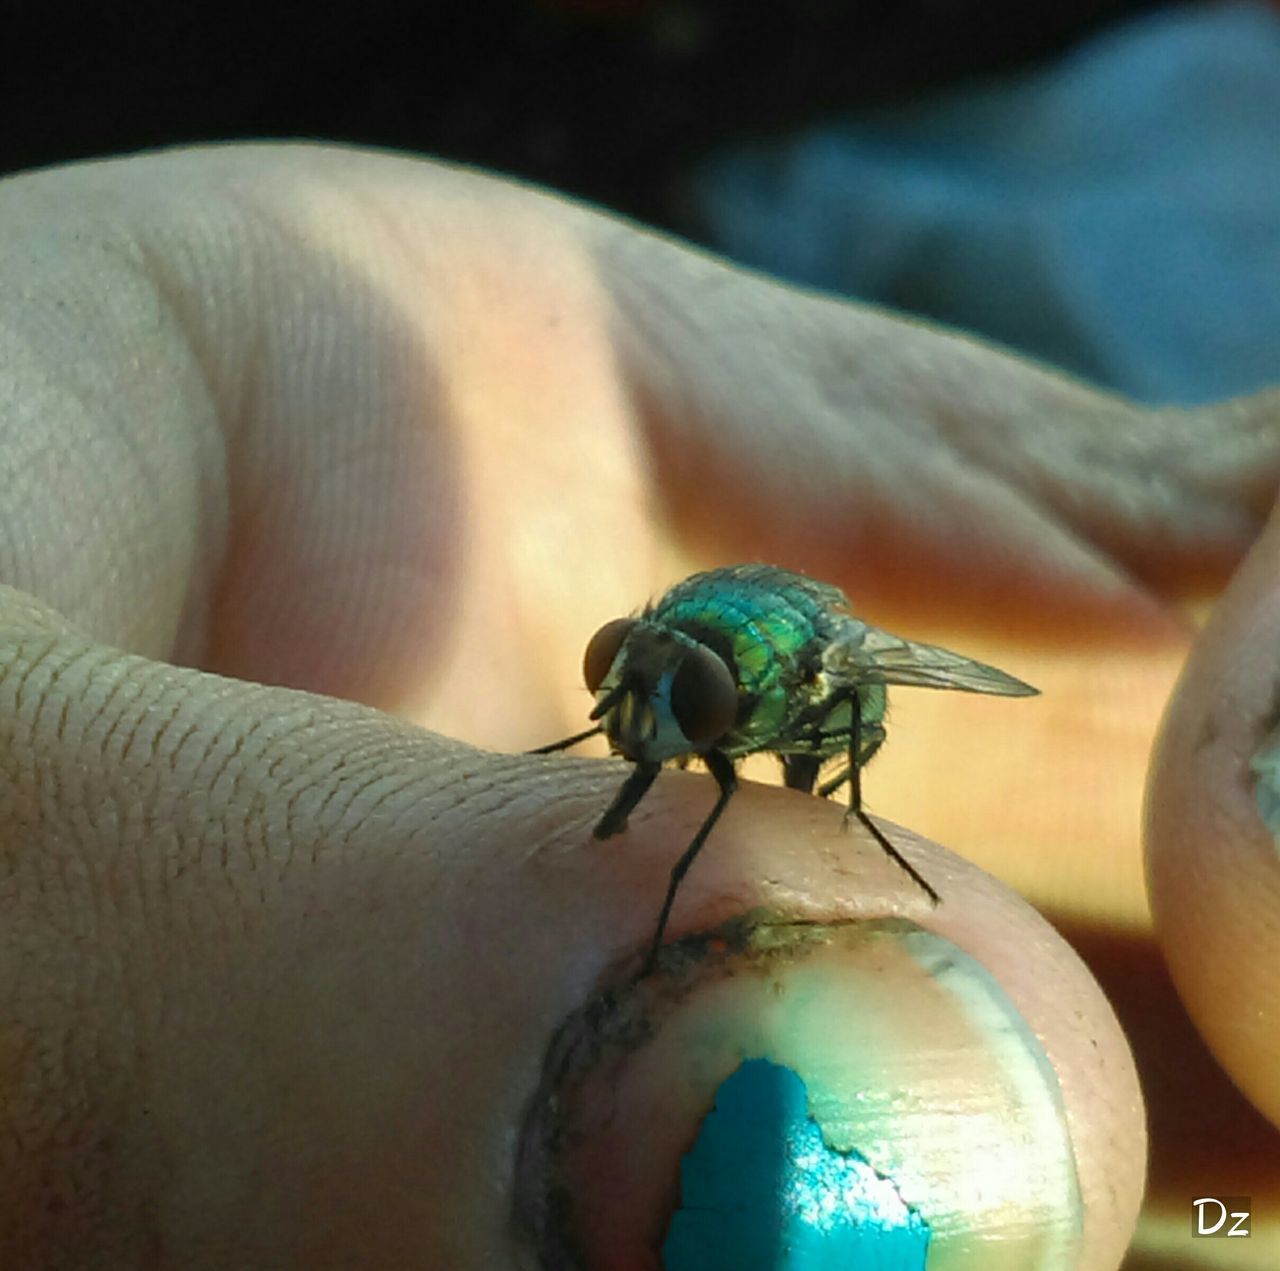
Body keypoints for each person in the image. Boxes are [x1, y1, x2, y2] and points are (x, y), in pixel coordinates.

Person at [0, 143, 1274, 1266]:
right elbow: (663, 677)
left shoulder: (794, 680)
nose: (637, 701)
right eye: (626, 672)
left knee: (812, 773)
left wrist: (830, 809)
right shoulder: (671, 658)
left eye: (662, 688)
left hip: (819, 685)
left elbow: (825, 684)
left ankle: (842, 831)